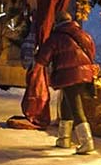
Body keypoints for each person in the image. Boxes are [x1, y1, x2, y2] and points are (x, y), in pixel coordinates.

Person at [36, 11, 97, 154]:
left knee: (76, 107)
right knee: (66, 102)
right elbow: (92, 52)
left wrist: (37, 56)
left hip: (69, 75)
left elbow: (43, 58)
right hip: (85, 74)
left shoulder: (56, 37)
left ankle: (87, 141)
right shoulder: (83, 34)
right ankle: (64, 138)